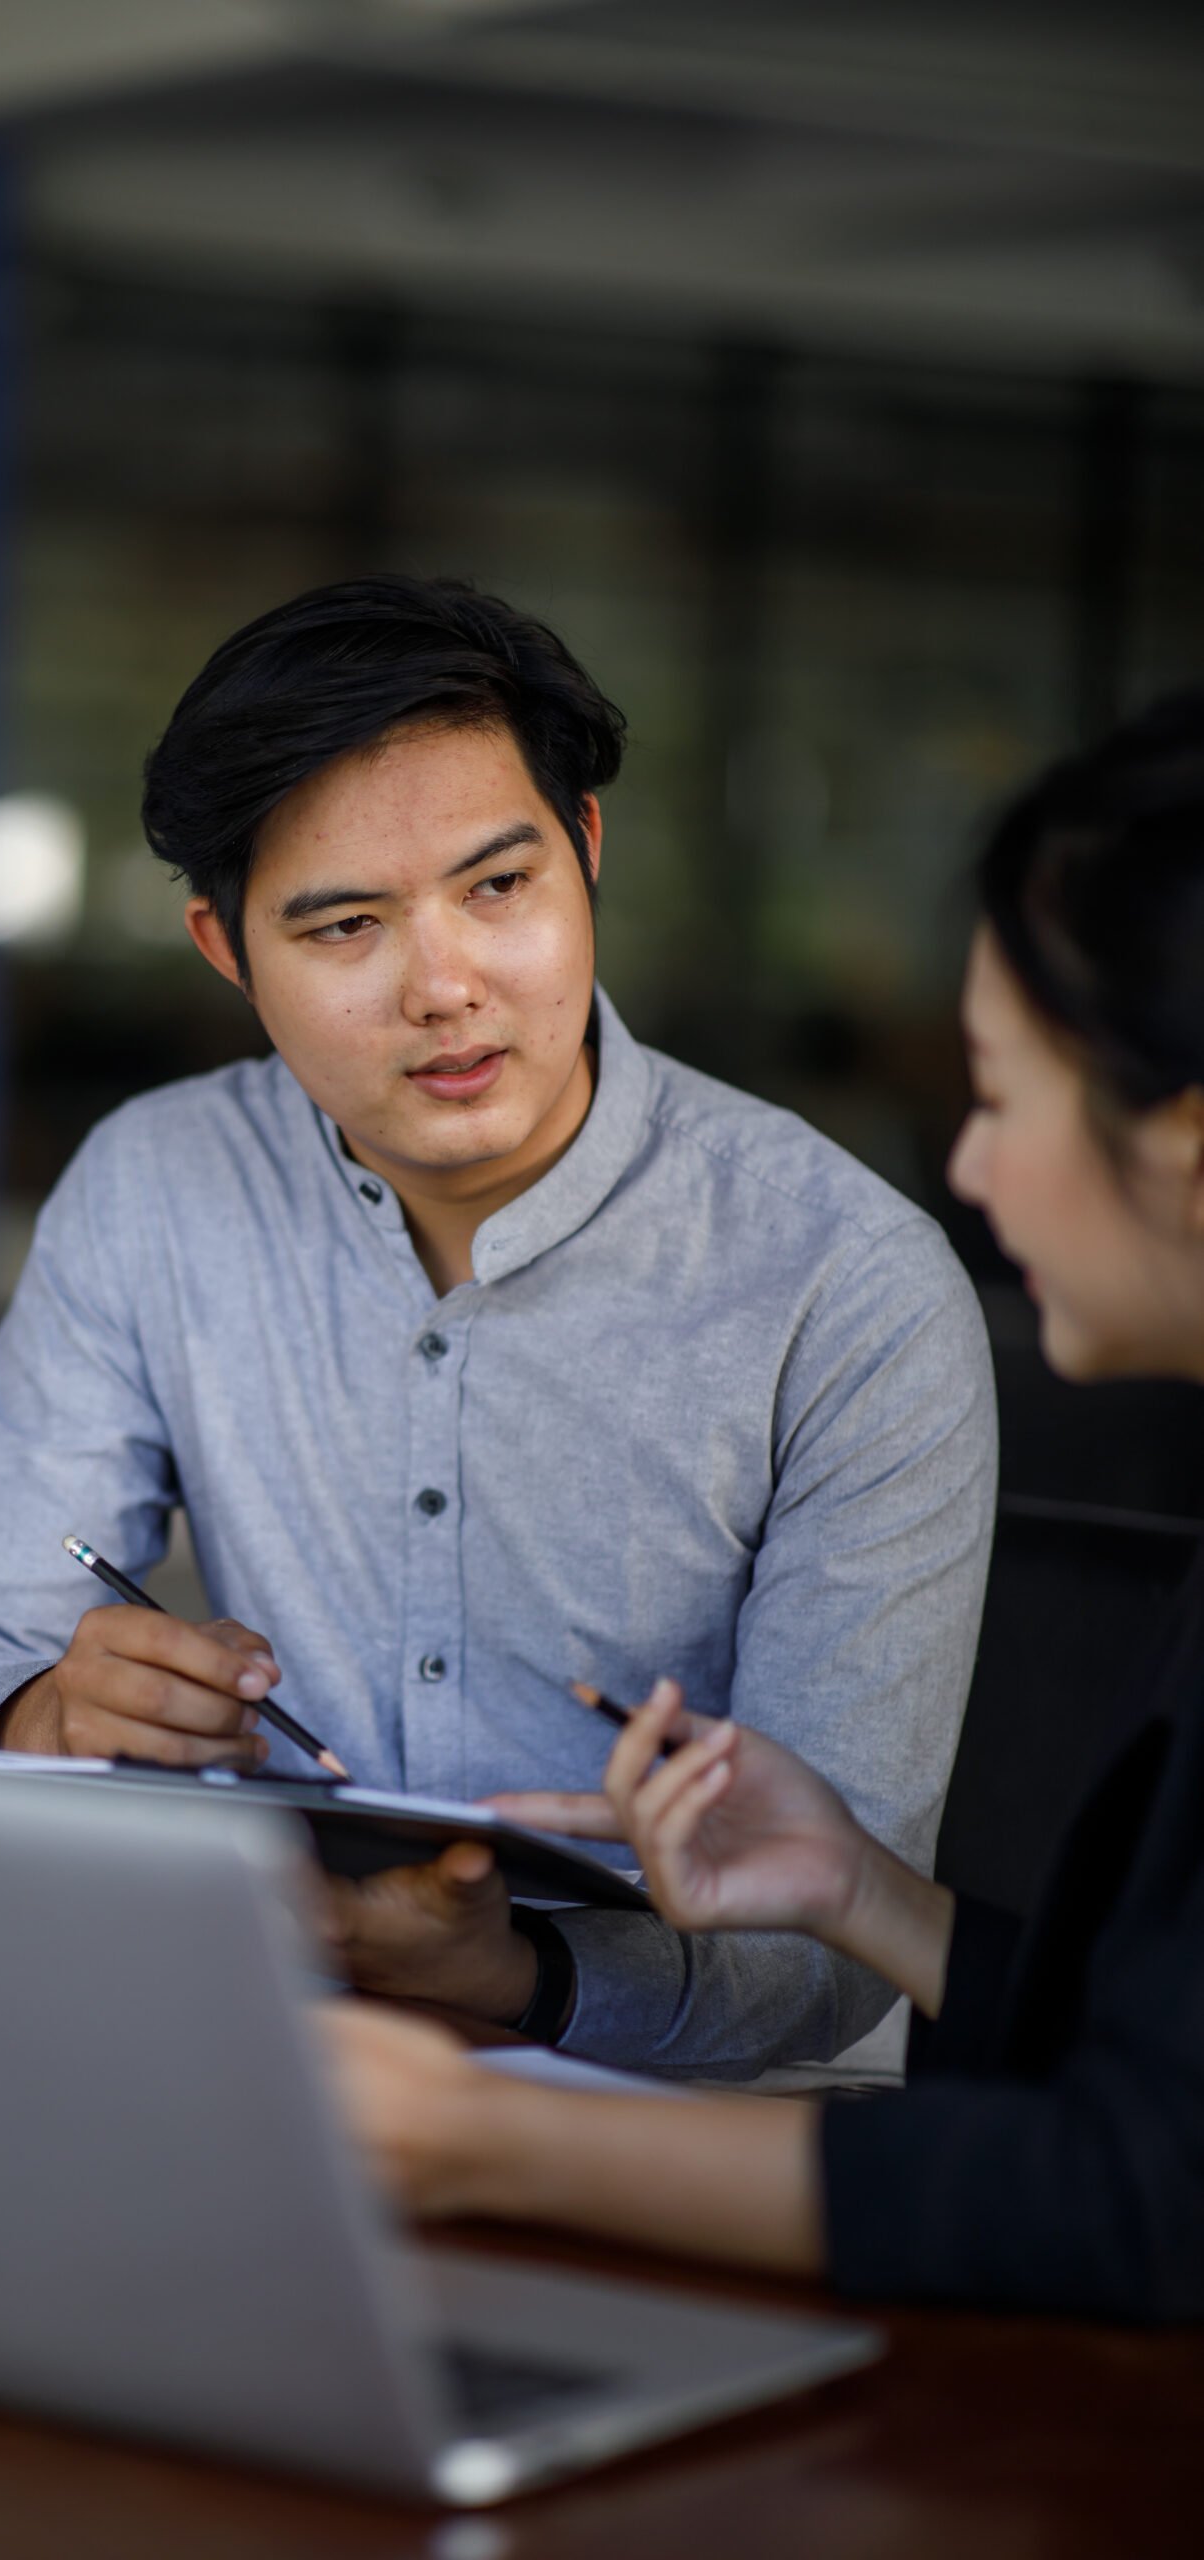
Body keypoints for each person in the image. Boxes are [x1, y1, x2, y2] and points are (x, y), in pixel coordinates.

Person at [0, 575, 995, 2078]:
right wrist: (42, 1710)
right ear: (223, 949)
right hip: (263, 2055)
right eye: (342, 927)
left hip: (690, 2123)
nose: (444, 988)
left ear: (585, 853)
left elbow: (841, 1931)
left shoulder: (845, 1286)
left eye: (497, 888)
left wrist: (520, 1977)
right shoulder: (156, 1188)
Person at [328, 693, 1204, 2320]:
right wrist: (869, 1899)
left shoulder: (843, 1277)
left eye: (1000, 1098)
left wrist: (479, 2141)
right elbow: (1162, 2073)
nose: (970, 1172)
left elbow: (1147, 2196)